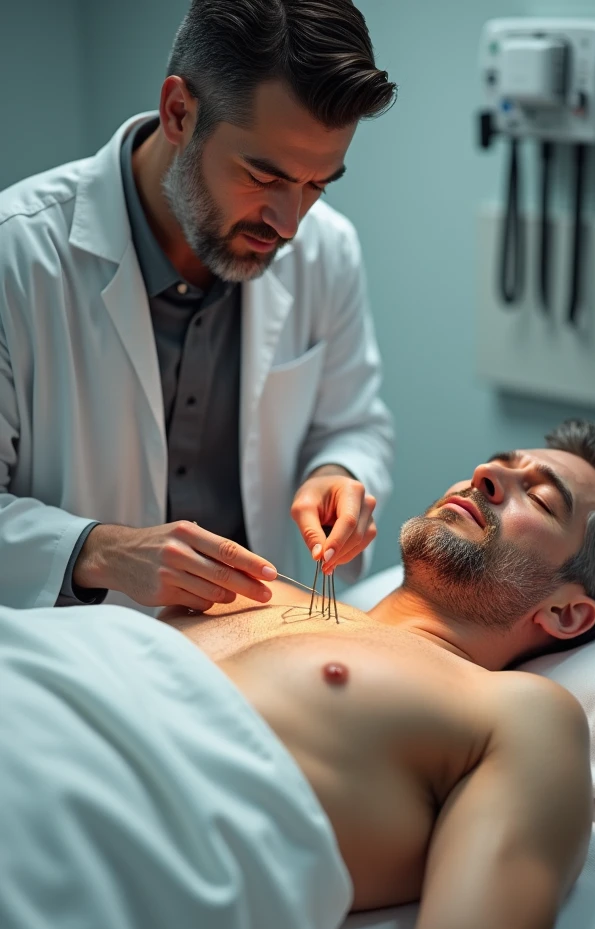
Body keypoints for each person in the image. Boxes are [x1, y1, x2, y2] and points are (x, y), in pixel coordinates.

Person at [0, 420, 595, 929]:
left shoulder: (515, 713)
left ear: (567, 614)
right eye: (498, 462)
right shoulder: (243, 582)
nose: (487, 476)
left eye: (541, 499)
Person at [0, 0, 395, 612]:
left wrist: (335, 474)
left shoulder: (328, 249)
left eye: (316, 184)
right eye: (264, 177)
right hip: (74, 657)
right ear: (179, 112)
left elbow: (352, 423)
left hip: (254, 650)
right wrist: (97, 551)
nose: (289, 223)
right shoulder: (15, 256)